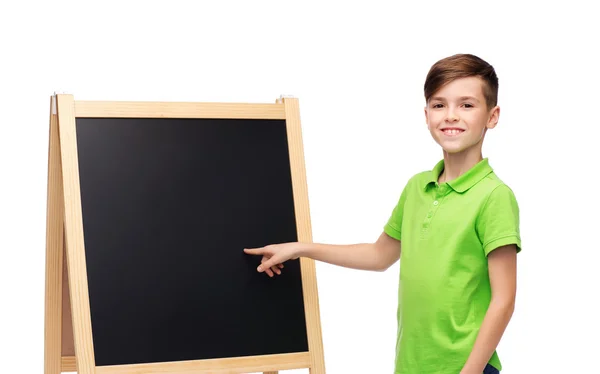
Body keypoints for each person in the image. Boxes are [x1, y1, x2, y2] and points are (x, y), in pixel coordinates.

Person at [244, 53, 521, 374]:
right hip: (412, 365)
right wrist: (301, 248)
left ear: (492, 115)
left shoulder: (494, 196)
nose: (451, 115)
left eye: (467, 105)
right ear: (427, 113)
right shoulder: (418, 188)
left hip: (466, 368)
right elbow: (379, 255)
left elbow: (504, 300)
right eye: (439, 104)